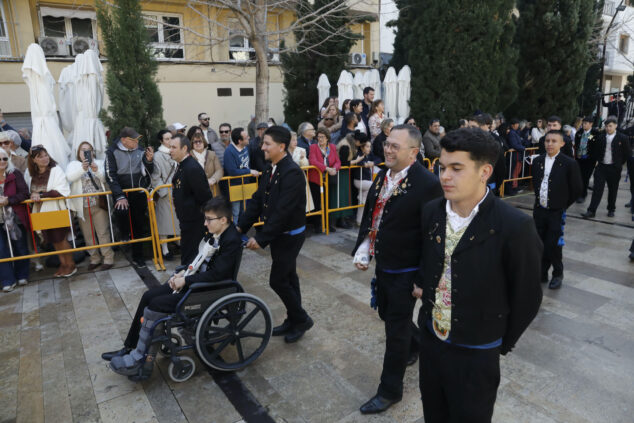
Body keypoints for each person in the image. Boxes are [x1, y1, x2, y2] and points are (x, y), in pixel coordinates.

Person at [415, 127, 543, 423]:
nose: (444, 176)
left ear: (484, 171)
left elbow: (527, 296)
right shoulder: (431, 211)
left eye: (456, 169)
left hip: (476, 352)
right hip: (432, 343)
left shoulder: (514, 226)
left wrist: (495, 339)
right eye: (442, 167)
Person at [352, 124, 443, 414]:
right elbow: (373, 216)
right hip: (384, 265)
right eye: (387, 144)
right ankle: (414, 345)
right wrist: (364, 248)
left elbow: (433, 237)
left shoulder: (427, 184)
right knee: (388, 315)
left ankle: (389, 390)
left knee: (395, 331)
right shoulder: (382, 176)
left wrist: (421, 280)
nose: (387, 150)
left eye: (395, 147)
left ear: (414, 153)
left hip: (406, 271)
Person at [102, 197, 243, 377]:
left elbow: (218, 274)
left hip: (208, 289)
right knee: (148, 296)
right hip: (196, 281)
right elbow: (198, 259)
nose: (205, 223)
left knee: (156, 305)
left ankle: (141, 360)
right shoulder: (214, 233)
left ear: (223, 220)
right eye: (205, 218)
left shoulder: (231, 240)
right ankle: (129, 347)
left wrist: (186, 281)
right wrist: (183, 273)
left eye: (209, 219)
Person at [238, 126, 313, 343]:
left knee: (278, 280)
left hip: (290, 235)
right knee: (289, 278)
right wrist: (240, 227)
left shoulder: (292, 173)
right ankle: (294, 319)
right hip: (280, 234)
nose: (263, 147)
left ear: (281, 146)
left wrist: (261, 239)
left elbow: (283, 212)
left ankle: (302, 319)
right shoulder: (272, 168)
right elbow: (257, 200)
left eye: (267, 143)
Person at [532, 130, 582, 289]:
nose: (550, 144)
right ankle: (541, 272)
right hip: (540, 210)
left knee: (553, 244)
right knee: (540, 242)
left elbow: (576, 188)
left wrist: (562, 205)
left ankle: (557, 273)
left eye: (554, 141)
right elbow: (537, 184)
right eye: (547, 141)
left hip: (556, 211)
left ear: (562, 143)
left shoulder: (569, 163)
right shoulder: (538, 161)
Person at [105, 127, 154, 268]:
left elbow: (148, 172)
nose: (137, 142)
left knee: (138, 225)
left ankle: (138, 257)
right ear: (124, 140)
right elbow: (110, 176)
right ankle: (124, 235)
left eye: (138, 139)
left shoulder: (140, 150)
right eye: (133, 139)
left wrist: (149, 162)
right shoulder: (111, 152)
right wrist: (119, 196)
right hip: (122, 193)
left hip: (138, 192)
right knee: (122, 213)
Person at [25, 145, 76, 277]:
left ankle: (70, 264)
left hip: (56, 208)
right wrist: (34, 194)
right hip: (41, 211)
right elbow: (30, 192)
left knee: (61, 238)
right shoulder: (31, 174)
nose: (44, 158)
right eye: (40, 156)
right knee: (53, 240)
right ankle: (63, 264)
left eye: (45, 155)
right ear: (33, 160)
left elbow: (61, 190)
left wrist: (40, 195)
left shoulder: (56, 170)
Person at [66, 141, 115, 271]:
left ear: (92, 152)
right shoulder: (73, 164)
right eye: (83, 150)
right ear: (78, 152)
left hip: (98, 204)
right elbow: (69, 178)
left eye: (89, 150)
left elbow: (105, 179)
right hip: (82, 206)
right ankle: (95, 258)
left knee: (102, 232)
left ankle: (108, 258)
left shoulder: (99, 163)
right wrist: (82, 168)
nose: (86, 152)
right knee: (88, 235)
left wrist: (96, 170)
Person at [170, 134, 213, 266]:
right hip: (187, 220)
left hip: (195, 222)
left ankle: (189, 282)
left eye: (173, 147)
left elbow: (205, 197)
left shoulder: (192, 168)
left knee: (191, 257)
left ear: (184, 148)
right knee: (188, 255)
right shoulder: (183, 165)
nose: (170, 150)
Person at [582, 116, 632, 218]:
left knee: (613, 189)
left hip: (614, 168)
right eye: (606, 126)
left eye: (610, 126)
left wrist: (619, 163)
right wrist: (596, 161)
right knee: (597, 189)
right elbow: (594, 148)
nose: (608, 128)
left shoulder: (623, 138)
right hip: (601, 167)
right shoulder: (600, 137)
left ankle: (611, 209)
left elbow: (628, 153)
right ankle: (591, 211)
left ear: (616, 126)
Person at [0, 148, 30, 291]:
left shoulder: (15, 173)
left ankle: (22, 274)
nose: (2, 162)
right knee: (1, 250)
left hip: (14, 217)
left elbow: (24, 193)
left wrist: (9, 201)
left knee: (19, 246)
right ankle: (7, 280)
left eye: (5, 159)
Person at [152, 129, 180, 261]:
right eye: (167, 139)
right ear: (161, 141)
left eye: (171, 138)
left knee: (178, 218)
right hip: (165, 192)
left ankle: (179, 241)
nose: (169, 141)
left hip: (178, 190)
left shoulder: (176, 152)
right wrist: (163, 191)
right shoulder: (158, 156)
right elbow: (155, 177)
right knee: (164, 221)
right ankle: (164, 249)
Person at [309, 128, 341, 233]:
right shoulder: (313, 147)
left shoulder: (332, 147)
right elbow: (312, 161)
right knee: (317, 202)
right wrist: (326, 168)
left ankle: (327, 224)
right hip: (316, 179)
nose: (320, 139)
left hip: (328, 179)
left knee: (327, 202)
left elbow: (337, 161)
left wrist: (334, 169)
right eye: (318, 137)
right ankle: (317, 225)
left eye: (322, 137)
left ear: (327, 138)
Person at [224, 127, 260, 223]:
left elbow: (248, 164)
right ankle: (234, 235)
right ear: (239, 141)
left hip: (246, 184)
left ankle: (241, 231)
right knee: (235, 212)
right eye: (246, 137)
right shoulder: (229, 151)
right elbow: (232, 171)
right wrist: (249, 172)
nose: (249, 137)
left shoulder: (246, 148)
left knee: (244, 210)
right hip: (235, 186)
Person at [189, 126, 223, 193]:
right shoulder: (189, 156)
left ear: (204, 142)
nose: (198, 143)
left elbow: (219, 170)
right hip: (196, 191)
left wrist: (213, 179)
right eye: (195, 142)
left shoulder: (212, 154)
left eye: (200, 141)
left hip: (213, 189)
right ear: (192, 144)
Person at [351, 138, 375, 225]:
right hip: (359, 181)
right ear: (362, 147)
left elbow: (379, 159)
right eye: (367, 146)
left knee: (362, 200)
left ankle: (359, 221)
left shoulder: (369, 154)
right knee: (377, 185)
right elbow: (356, 162)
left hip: (365, 182)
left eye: (370, 146)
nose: (369, 148)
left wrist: (373, 163)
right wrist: (364, 164)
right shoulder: (359, 154)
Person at [289, 132, 314, 213]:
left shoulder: (301, 150)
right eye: (293, 140)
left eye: (296, 140)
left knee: (301, 204)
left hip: (300, 179)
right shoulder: (283, 151)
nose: (295, 142)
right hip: (288, 180)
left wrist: (303, 158)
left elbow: (306, 166)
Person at [573, 116, 597, 203]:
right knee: (579, 177)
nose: (583, 125)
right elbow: (576, 145)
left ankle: (583, 195)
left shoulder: (594, 133)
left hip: (589, 160)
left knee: (585, 177)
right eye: (583, 123)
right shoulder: (579, 132)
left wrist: (592, 157)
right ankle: (578, 193)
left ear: (591, 124)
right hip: (579, 158)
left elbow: (595, 145)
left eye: (586, 123)